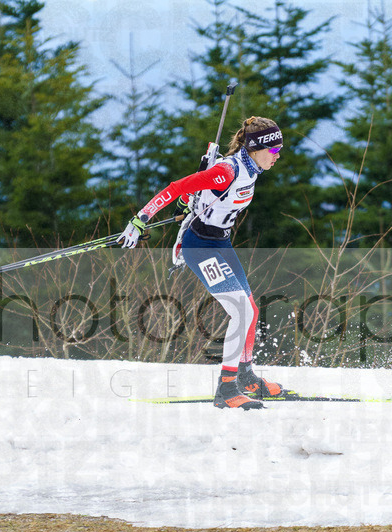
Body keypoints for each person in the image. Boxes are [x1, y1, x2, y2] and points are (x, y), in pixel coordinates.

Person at [118, 116, 286, 410]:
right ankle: (227, 390)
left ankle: (246, 378)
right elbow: (177, 186)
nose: (277, 156)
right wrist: (140, 220)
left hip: (220, 243)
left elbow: (202, 196)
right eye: (273, 150)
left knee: (251, 309)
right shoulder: (227, 171)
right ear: (256, 147)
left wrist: (193, 203)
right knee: (241, 312)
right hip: (200, 248)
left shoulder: (252, 167)